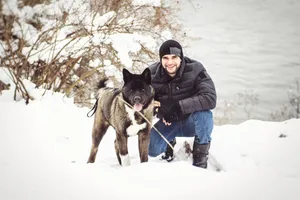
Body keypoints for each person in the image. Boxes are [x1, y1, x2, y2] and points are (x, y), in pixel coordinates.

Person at [148, 39, 217, 168]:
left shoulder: (196, 69)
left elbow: (210, 98)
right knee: (151, 150)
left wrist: (179, 108)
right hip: (167, 122)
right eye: (165, 58)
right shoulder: (151, 73)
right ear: (160, 59)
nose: (170, 62)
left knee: (204, 114)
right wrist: (150, 106)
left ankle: (200, 157)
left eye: (174, 57)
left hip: (192, 122)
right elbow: (139, 98)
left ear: (181, 57)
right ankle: (170, 143)